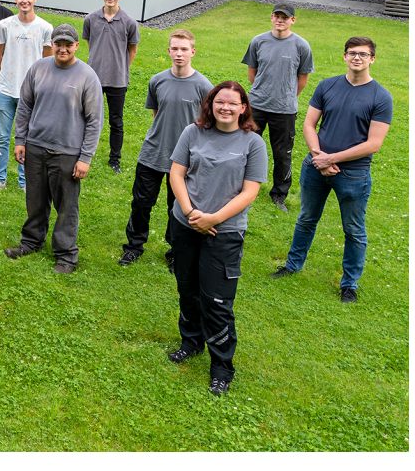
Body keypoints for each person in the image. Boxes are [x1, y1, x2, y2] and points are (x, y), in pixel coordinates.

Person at [272, 37, 393, 303]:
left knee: (353, 229)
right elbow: (308, 124)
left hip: (353, 175)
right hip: (316, 167)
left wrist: (331, 159)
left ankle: (349, 284)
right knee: (306, 219)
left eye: (363, 54)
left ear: (372, 59)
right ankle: (293, 265)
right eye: (352, 53)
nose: (357, 58)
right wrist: (319, 157)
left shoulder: (381, 97)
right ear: (344, 56)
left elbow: (374, 143)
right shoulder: (328, 85)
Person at [167, 81, 268, 396]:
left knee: (217, 300)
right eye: (219, 102)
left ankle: (222, 366)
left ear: (243, 108)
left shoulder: (252, 143)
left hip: (223, 233)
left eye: (232, 103)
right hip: (186, 225)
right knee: (187, 288)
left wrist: (214, 219)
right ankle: (191, 342)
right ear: (210, 105)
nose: (225, 107)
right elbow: (176, 173)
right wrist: (191, 213)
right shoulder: (192, 133)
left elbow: (251, 190)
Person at [5, 24, 103, 274]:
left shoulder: (87, 76)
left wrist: (85, 158)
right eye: (58, 44)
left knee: (66, 206)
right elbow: (25, 106)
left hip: (67, 152)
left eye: (68, 44)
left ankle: (66, 255)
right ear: (52, 44)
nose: (63, 48)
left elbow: (94, 121)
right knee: (35, 200)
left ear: (76, 46)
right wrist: (20, 140)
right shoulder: (38, 68)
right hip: (35, 147)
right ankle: (31, 242)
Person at [119, 29, 213, 268]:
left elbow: (207, 123)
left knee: (178, 208)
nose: (179, 54)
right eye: (175, 49)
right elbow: (156, 114)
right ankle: (134, 246)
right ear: (168, 51)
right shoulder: (157, 80)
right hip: (152, 153)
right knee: (141, 203)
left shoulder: (204, 86)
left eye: (184, 49)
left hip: (184, 161)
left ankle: (175, 251)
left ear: (193, 51)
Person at [241, 4, 314, 210]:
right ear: (271, 17)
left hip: (285, 110)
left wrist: (287, 96)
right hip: (257, 106)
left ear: (293, 20)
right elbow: (252, 73)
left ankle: (279, 195)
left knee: (283, 154)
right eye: (277, 16)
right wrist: (263, 92)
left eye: (285, 17)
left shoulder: (301, 46)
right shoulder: (258, 41)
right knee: (245, 147)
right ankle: (241, 186)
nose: (280, 20)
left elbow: (302, 78)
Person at [0, 0, 53, 191]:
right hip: (6, 89)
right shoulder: (5, 25)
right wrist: (5, 69)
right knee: (2, 136)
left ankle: (25, 182)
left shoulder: (45, 27)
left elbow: (47, 60)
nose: (25, 0)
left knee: (27, 139)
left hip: (31, 93)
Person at [82, 0, 139, 173]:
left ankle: (115, 159)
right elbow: (91, 44)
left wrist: (121, 66)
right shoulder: (90, 19)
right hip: (94, 78)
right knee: (87, 117)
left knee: (116, 120)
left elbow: (132, 50)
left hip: (117, 80)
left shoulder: (129, 22)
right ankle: (83, 152)